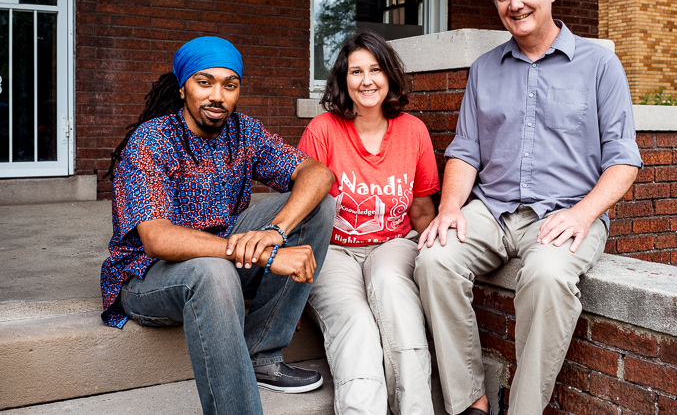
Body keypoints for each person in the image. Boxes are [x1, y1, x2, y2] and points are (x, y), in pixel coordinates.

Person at [415, 0, 643, 415]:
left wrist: (582, 214)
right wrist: (451, 207)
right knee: (433, 259)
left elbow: (624, 161)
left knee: (547, 276)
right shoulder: (484, 69)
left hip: (567, 211)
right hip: (492, 209)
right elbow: (465, 150)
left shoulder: (600, 65)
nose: (514, 4)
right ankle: (470, 402)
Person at [100, 36, 336, 415]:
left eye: (230, 85)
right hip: (147, 279)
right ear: (182, 88)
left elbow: (317, 173)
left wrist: (274, 232)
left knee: (318, 206)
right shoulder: (150, 141)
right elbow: (156, 238)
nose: (218, 96)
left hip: (223, 258)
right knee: (213, 272)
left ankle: (262, 352)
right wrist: (268, 256)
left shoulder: (244, 131)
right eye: (204, 82)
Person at [298, 31, 440, 414]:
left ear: (389, 75)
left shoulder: (413, 132)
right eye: (355, 71)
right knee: (357, 323)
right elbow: (300, 207)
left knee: (393, 295)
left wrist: (436, 263)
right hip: (333, 251)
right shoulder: (323, 130)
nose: (366, 80)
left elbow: (423, 210)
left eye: (375, 69)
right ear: (343, 80)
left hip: (393, 245)